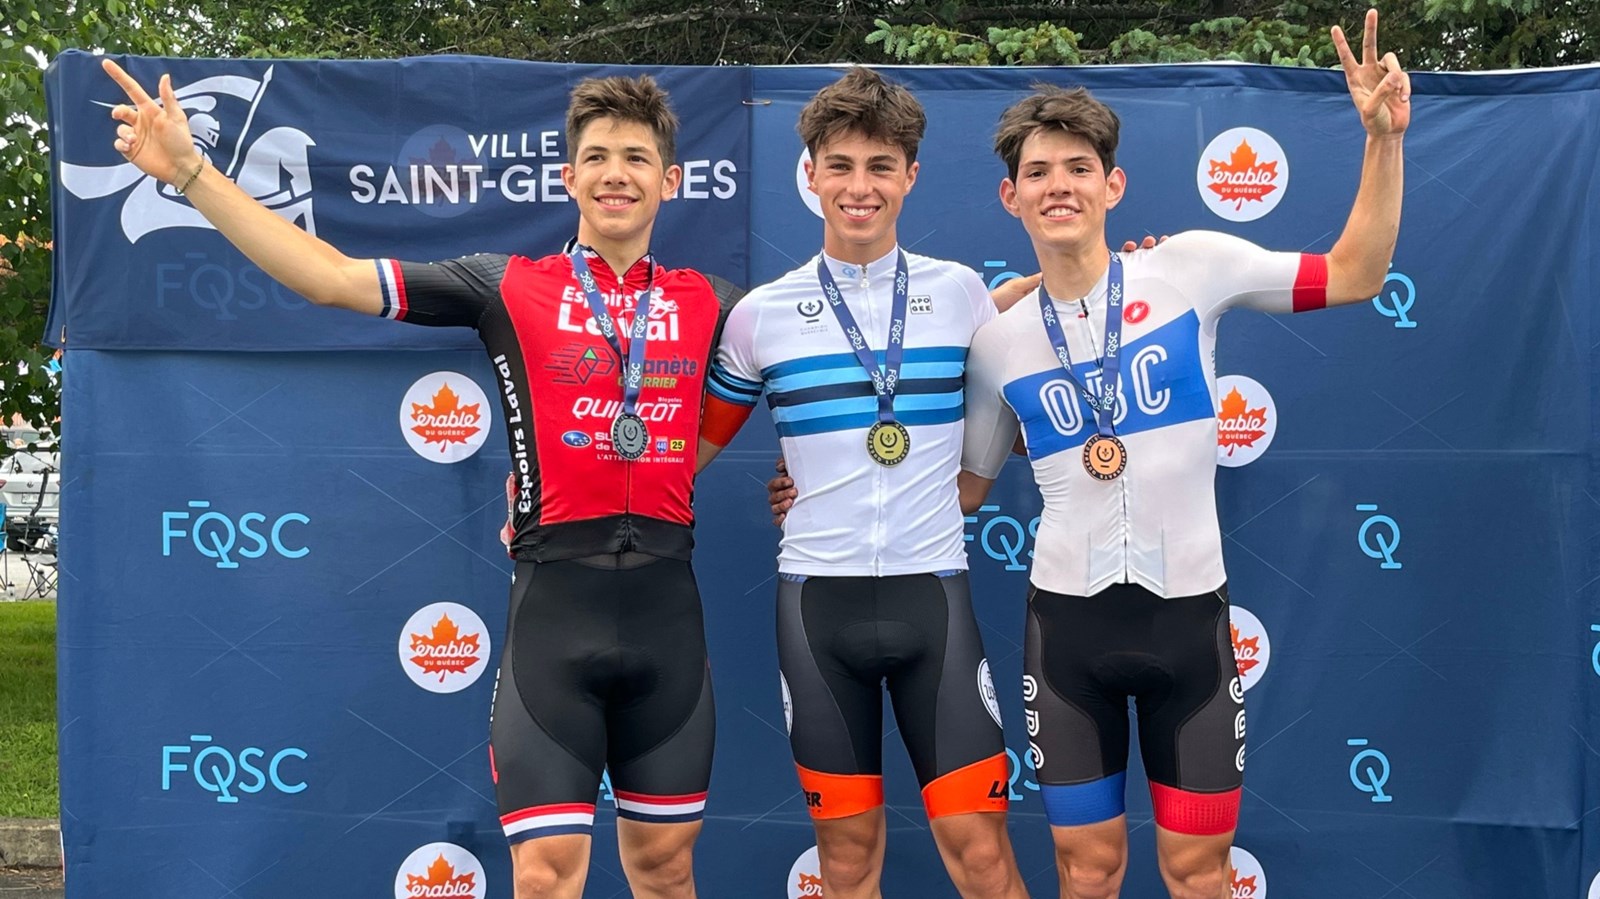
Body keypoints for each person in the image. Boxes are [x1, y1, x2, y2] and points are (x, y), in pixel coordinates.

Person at [100, 61, 739, 899]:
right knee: (547, 875)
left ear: (671, 179)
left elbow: (828, 375)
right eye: (597, 155)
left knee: (665, 868)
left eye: (636, 156)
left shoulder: (722, 303)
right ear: (568, 174)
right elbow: (328, 276)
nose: (616, 172)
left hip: (668, 619)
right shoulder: (508, 285)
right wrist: (190, 172)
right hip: (554, 616)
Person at [954, 11, 1410, 899]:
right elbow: (964, 490)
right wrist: (822, 487)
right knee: (1089, 870)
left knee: (1199, 871)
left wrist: (1382, 142)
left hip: (1191, 630)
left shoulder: (1188, 268)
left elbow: (1355, 273)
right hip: (1067, 636)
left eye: (1078, 169)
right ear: (1009, 196)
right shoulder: (996, 344)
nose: (1059, 186)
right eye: (1037, 172)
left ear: (1113, 184)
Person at [696, 67, 1029, 899]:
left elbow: (1035, 401)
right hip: (818, 610)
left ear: (911, 175)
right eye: (839, 165)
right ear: (809, 174)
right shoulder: (759, 315)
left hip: (934, 603)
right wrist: (558, 504)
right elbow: (686, 450)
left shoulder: (962, 296)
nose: (859, 186)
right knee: (845, 866)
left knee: (982, 858)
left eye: (881, 166)